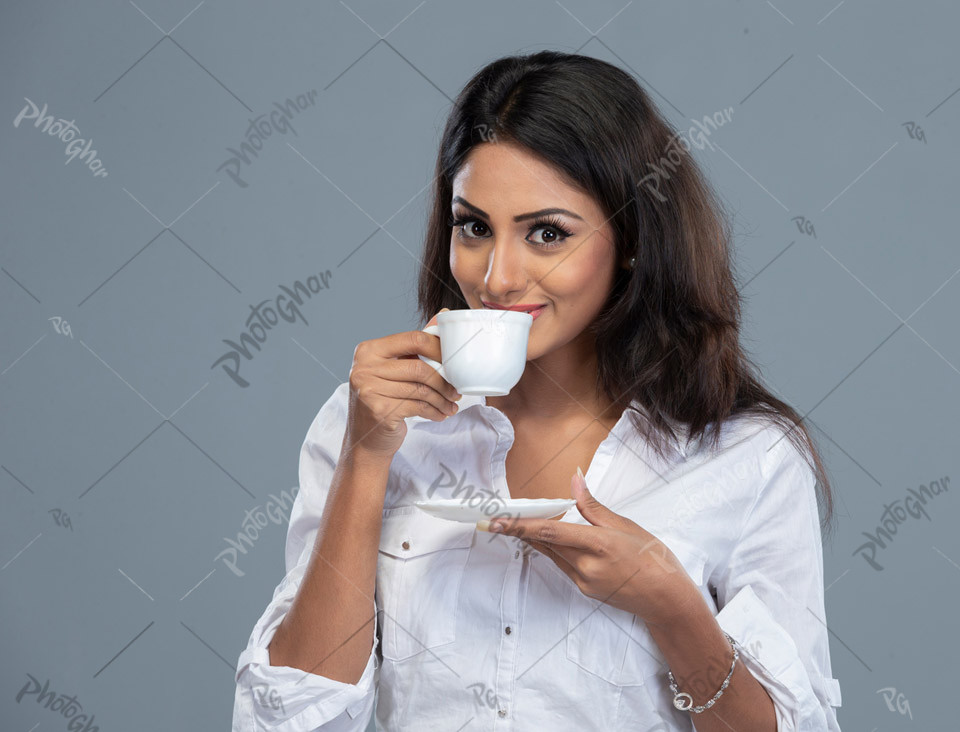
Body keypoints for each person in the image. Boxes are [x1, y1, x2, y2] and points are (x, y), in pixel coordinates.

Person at [232, 50, 842, 731]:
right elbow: (285, 723)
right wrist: (365, 459)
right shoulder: (374, 422)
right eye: (475, 228)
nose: (497, 278)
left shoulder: (746, 456)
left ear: (634, 240)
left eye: (547, 233)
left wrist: (671, 604)